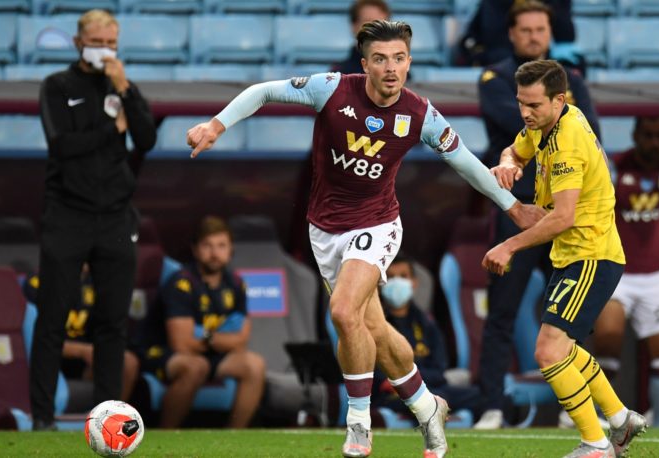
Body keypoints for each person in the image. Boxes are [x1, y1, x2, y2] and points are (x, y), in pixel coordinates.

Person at [186, 19, 542, 458]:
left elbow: (466, 162)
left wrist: (513, 207)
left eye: (399, 58)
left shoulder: (420, 114)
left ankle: (358, 421)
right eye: (380, 59)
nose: (391, 68)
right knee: (372, 327)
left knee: (342, 310)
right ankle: (427, 406)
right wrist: (216, 125)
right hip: (324, 230)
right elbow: (263, 91)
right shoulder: (332, 89)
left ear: (409, 62)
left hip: (377, 225)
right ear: (365, 64)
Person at [482, 60, 645, 458]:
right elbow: (515, 149)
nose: (525, 113)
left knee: (548, 352)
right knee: (564, 348)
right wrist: (508, 163)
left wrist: (509, 245)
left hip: (590, 254)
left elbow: (563, 217)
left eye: (533, 105)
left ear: (559, 99)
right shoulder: (548, 122)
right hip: (575, 254)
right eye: (521, 103)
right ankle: (620, 418)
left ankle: (595, 444)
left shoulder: (568, 141)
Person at [474, 0, 600, 430]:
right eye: (525, 30)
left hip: (562, 210)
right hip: (516, 207)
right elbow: (520, 123)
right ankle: (492, 405)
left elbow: (591, 134)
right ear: (511, 34)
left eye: (540, 29)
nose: (533, 37)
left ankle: (575, 405)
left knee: (573, 310)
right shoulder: (494, 78)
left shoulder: (572, 80)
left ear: (550, 32)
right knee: (501, 310)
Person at [31, 9, 156, 431]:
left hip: (115, 217)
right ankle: (42, 417)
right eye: (97, 43)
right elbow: (62, 145)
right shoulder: (57, 86)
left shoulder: (122, 87)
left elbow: (147, 138)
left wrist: (125, 92)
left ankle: (106, 417)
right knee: (53, 317)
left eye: (110, 44)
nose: (104, 51)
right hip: (67, 214)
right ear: (78, 43)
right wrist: (110, 127)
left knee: (112, 322)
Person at [591, 116, 659, 428]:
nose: (654, 142)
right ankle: (598, 417)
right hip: (616, 271)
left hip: (655, 275)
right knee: (607, 338)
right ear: (635, 135)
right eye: (648, 135)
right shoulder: (615, 168)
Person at [140, 216, 267, 428]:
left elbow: (241, 341)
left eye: (221, 245)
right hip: (161, 352)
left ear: (231, 249)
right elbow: (181, 344)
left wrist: (204, 337)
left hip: (208, 354)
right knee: (196, 366)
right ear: (196, 250)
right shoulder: (182, 282)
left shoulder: (236, 283)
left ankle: (234, 438)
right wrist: (221, 339)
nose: (214, 253)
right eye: (207, 246)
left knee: (254, 365)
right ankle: (166, 435)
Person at [373, 253, 482, 418]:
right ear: (380, 283)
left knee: (479, 395)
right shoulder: (373, 323)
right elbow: (374, 373)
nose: (397, 282)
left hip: (429, 388)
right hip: (392, 394)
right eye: (391, 277)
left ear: (414, 282)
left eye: (403, 276)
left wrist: (409, 378)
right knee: (429, 399)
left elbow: (439, 372)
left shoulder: (427, 323)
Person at [23, 266, 140, 403]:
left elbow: (106, 331)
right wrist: (81, 351)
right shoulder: (38, 282)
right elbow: (33, 338)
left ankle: (110, 414)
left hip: (85, 361)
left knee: (127, 362)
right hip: (48, 359)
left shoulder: (97, 282)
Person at [331, 0, 391, 75]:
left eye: (380, 23)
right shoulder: (338, 74)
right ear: (354, 26)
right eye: (368, 22)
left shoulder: (399, 72)